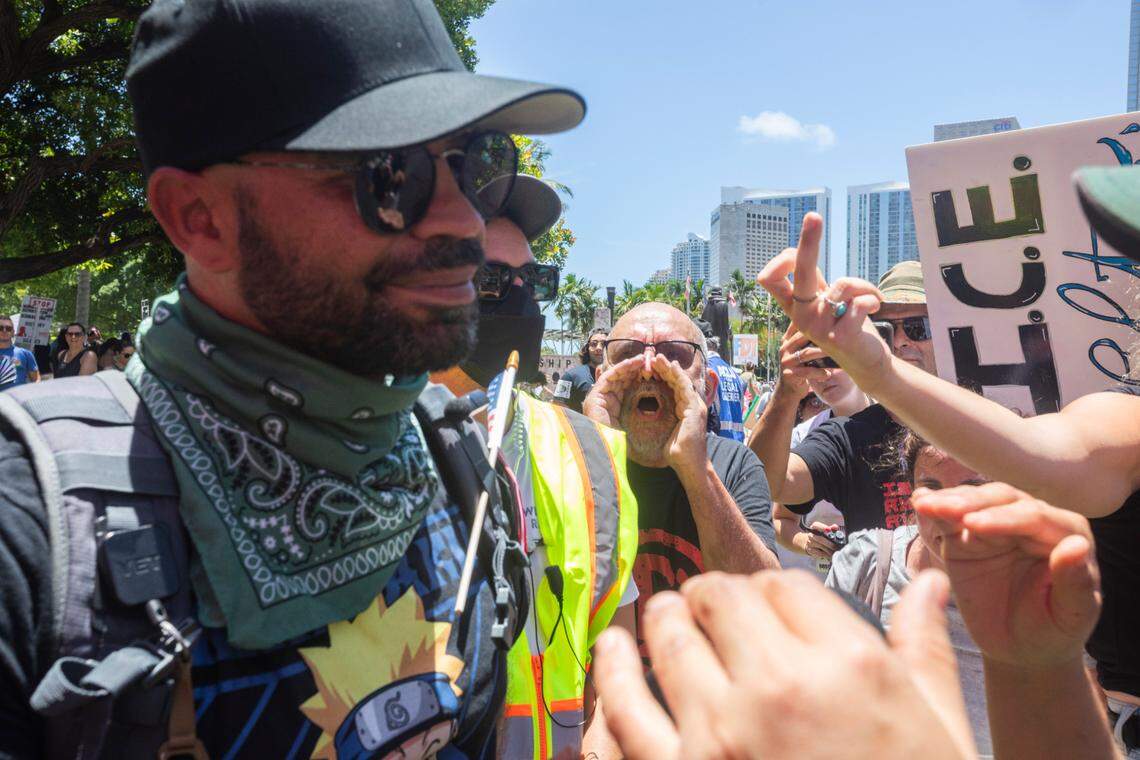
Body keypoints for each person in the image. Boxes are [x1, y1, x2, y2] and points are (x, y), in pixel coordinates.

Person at [0, 0, 588, 756]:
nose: (464, 222)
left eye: (474, 162)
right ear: (199, 218)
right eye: (390, 174)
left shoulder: (458, 463)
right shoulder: (33, 534)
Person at [761, 179, 1140, 755]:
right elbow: (1044, 451)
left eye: (923, 326)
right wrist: (860, 375)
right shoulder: (1116, 426)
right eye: (894, 329)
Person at [592, 473, 1118, 760]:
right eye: (932, 484)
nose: (954, 508)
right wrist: (1040, 669)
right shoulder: (872, 557)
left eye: (978, 479)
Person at [431, 174, 636, 759]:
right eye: (492, 279)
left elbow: (615, 629)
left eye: (533, 280)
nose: (520, 298)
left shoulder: (590, 448)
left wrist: (607, 735)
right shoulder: (363, 438)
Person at [583, 302, 780, 658]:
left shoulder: (735, 464)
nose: (648, 369)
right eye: (628, 353)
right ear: (601, 377)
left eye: (673, 354)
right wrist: (598, 449)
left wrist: (695, 466)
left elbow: (765, 600)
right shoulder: (568, 461)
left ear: (708, 388)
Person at [826, 433, 992, 757]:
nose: (949, 510)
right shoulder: (866, 563)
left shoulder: (1038, 586)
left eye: (973, 488)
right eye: (931, 488)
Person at [756, 260, 935, 536]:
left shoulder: (985, 415)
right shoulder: (850, 435)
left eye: (918, 327)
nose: (900, 341)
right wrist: (786, 392)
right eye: (887, 328)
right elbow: (768, 482)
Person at [749, 324, 872, 574]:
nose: (824, 373)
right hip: (822, 585)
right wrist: (807, 542)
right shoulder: (799, 438)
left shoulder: (901, 424)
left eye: (833, 359)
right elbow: (778, 514)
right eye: (812, 363)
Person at [704, 334, 747, 441]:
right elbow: (741, 407)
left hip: (717, 445)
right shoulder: (734, 373)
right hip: (737, 444)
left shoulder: (706, 369)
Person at [554, 327, 607, 413]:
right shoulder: (569, 376)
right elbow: (557, 405)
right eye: (594, 344)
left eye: (604, 344)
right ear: (587, 348)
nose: (599, 348)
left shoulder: (620, 376)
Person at [0, 315, 39, 391]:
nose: (4, 331)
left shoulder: (25, 353)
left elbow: (36, 379)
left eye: (8, 328)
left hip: (17, 401)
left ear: (13, 332)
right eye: (0, 328)